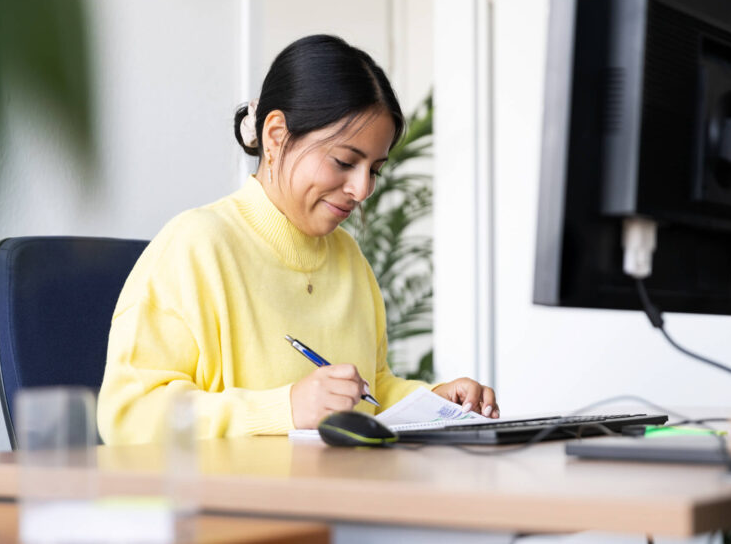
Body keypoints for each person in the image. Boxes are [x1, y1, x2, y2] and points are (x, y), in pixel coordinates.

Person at [97, 34, 498, 445]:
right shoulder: (194, 247)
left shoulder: (349, 260)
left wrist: (434, 401)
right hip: (239, 506)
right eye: (344, 161)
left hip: (340, 498)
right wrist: (285, 409)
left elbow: (369, 393)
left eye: (375, 170)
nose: (362, 189)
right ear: (275, 137)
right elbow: (128, 415)